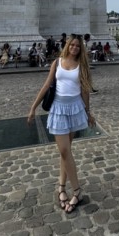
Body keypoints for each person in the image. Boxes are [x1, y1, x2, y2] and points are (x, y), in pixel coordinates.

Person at [28, 34, 96, 214]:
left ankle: (61, 187)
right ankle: (77, 191)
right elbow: (46, 85)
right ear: (67, 46)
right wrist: (33, 107)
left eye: (77, 46)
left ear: (80, 49)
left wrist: (88, 113)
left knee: (65, 153)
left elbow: (85, 90)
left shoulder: (82, 66)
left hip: (74, 109)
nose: (74, 47)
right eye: (72, 45)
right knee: (64, 151)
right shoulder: (57, 62)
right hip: (58, 109)